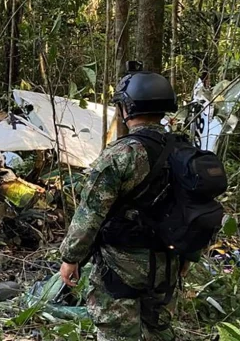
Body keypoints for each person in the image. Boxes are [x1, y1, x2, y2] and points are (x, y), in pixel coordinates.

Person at [57, 68, 187, 341]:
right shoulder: (184, 151)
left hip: (120, 267)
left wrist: (71, 258)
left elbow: (90, 213)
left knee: (117, 334)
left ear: (129, 107)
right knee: (159, 331)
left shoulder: (122, 154)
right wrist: (187, 257)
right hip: (168, 264)